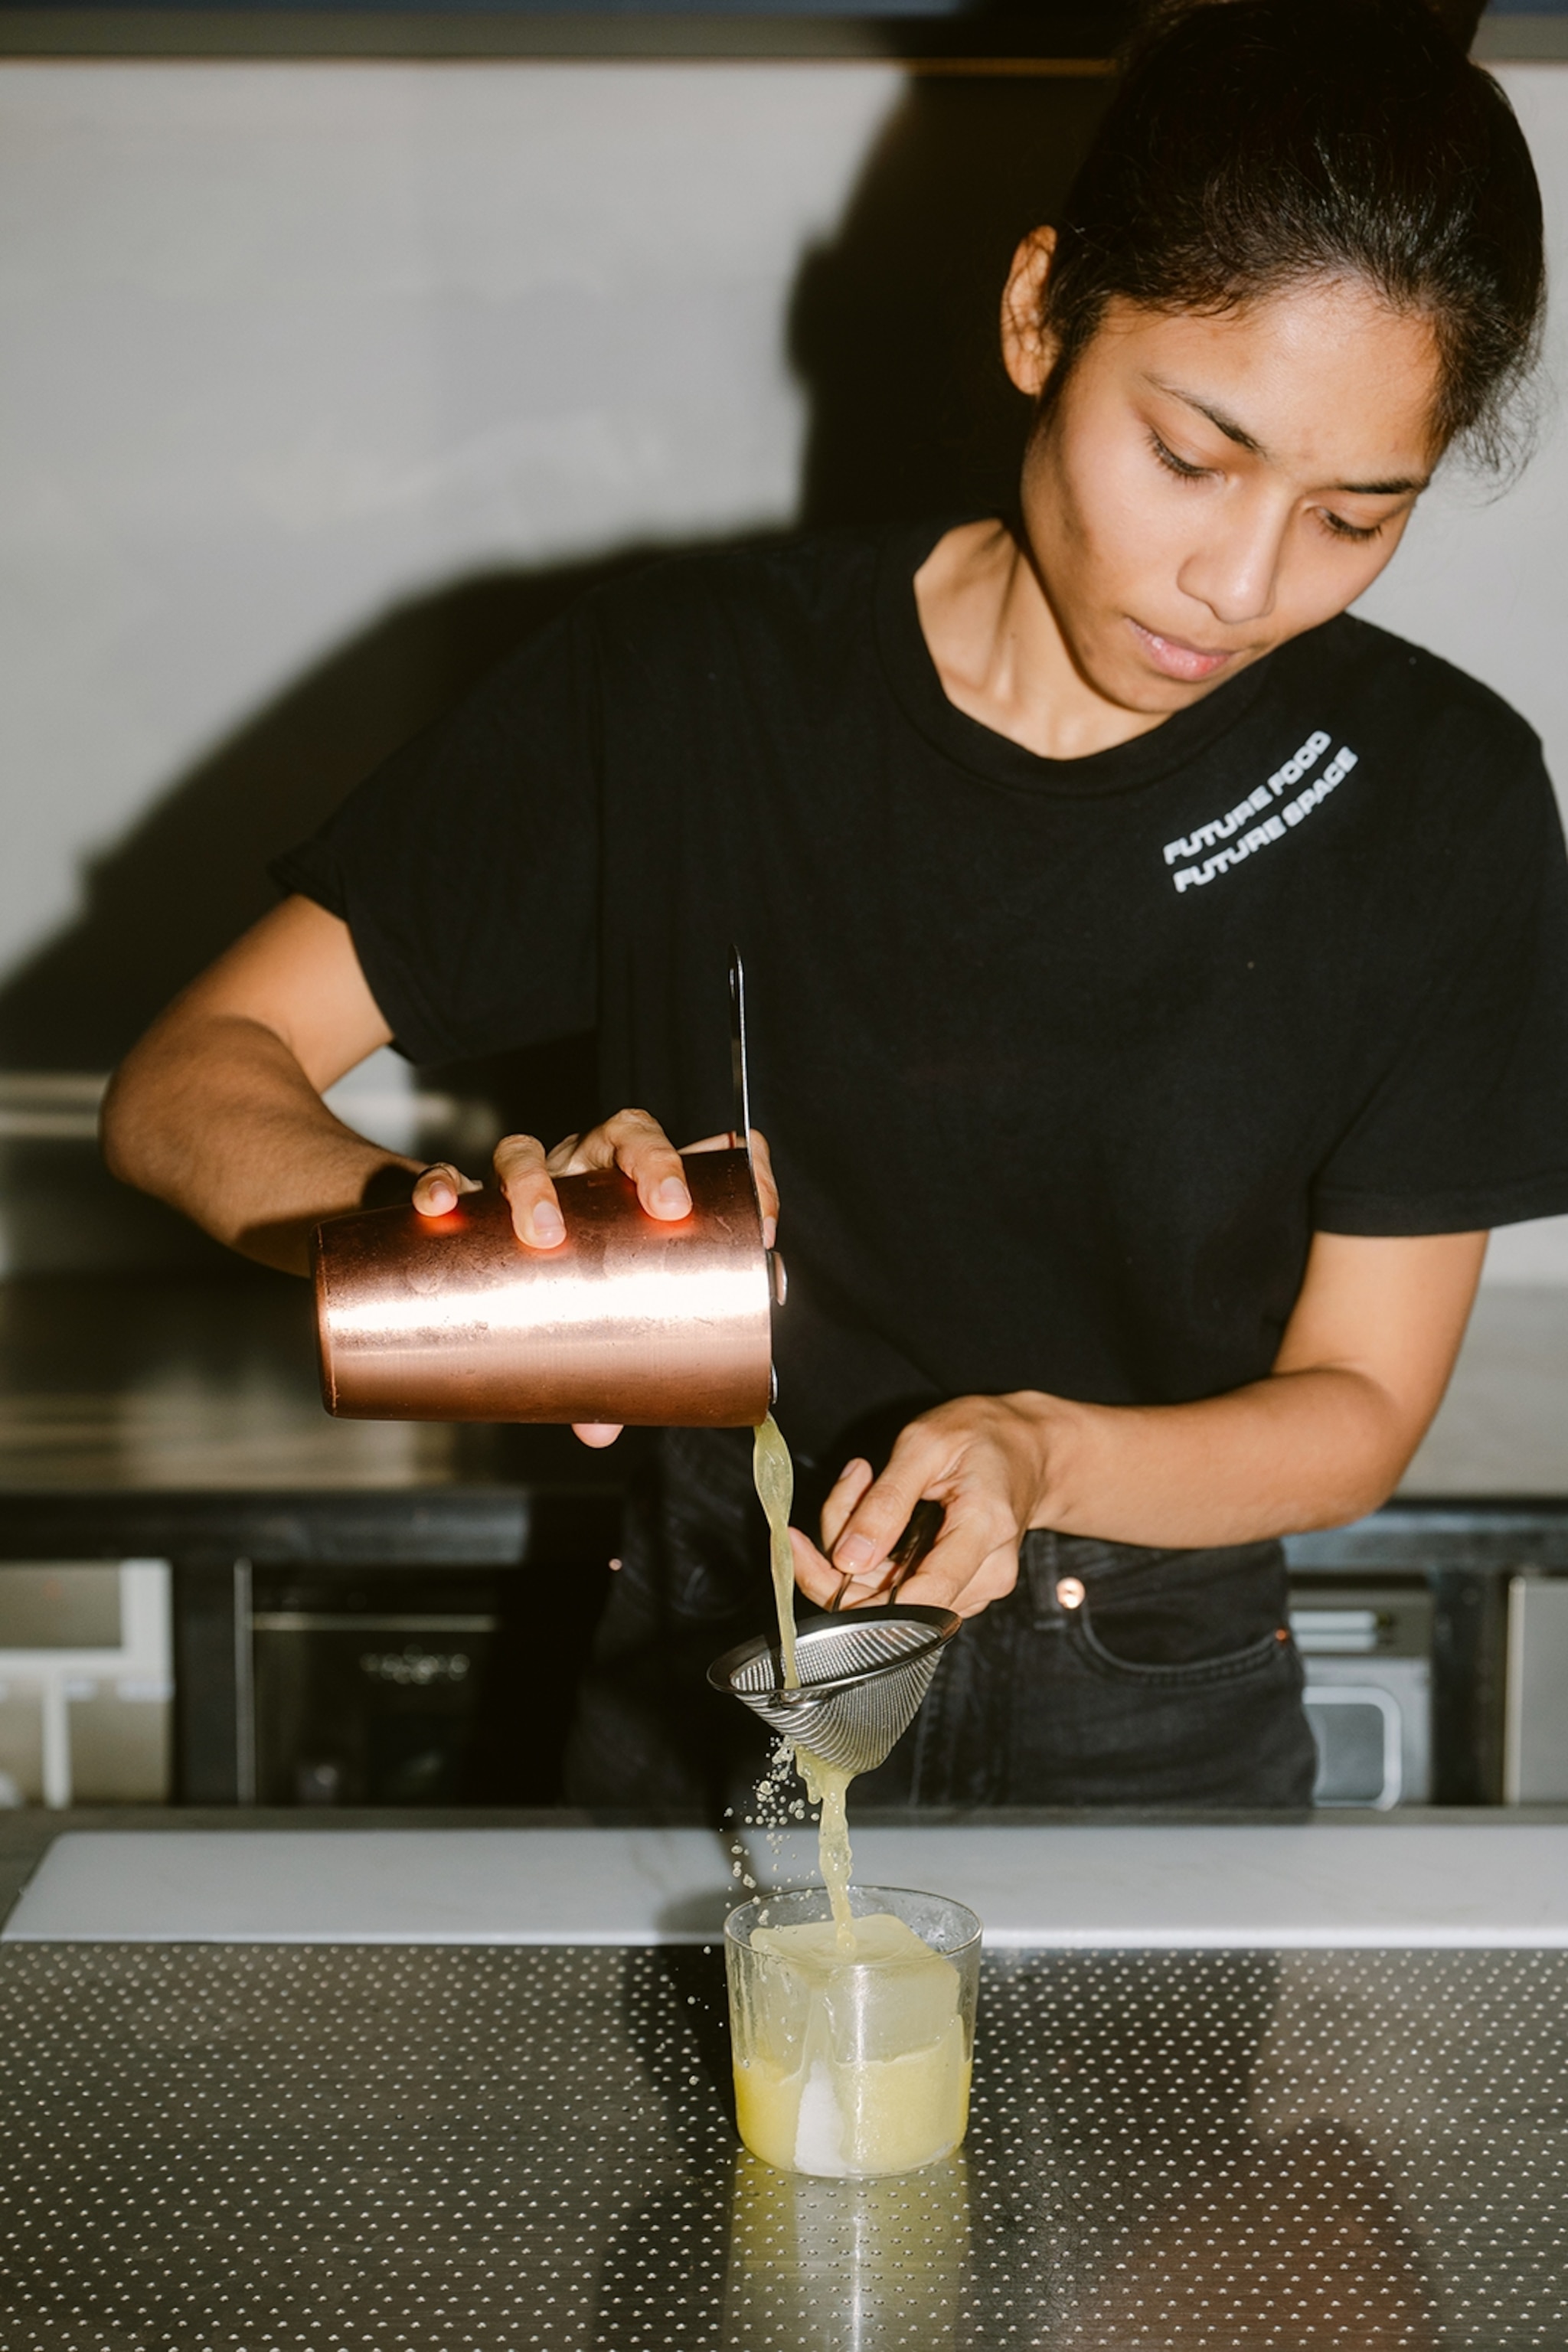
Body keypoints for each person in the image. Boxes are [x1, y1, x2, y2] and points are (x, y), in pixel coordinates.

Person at [103, 0, 1568, 1812]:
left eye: (1356, 518)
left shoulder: (1441, 797)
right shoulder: (685, 688)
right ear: (1040, 314)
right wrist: (478, 1245)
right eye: (1190, 458)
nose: (1243, 583)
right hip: (715, 1650)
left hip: (1153, 1691)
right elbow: (190, 1080)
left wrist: (1041, 1455)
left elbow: (1357, 1405)